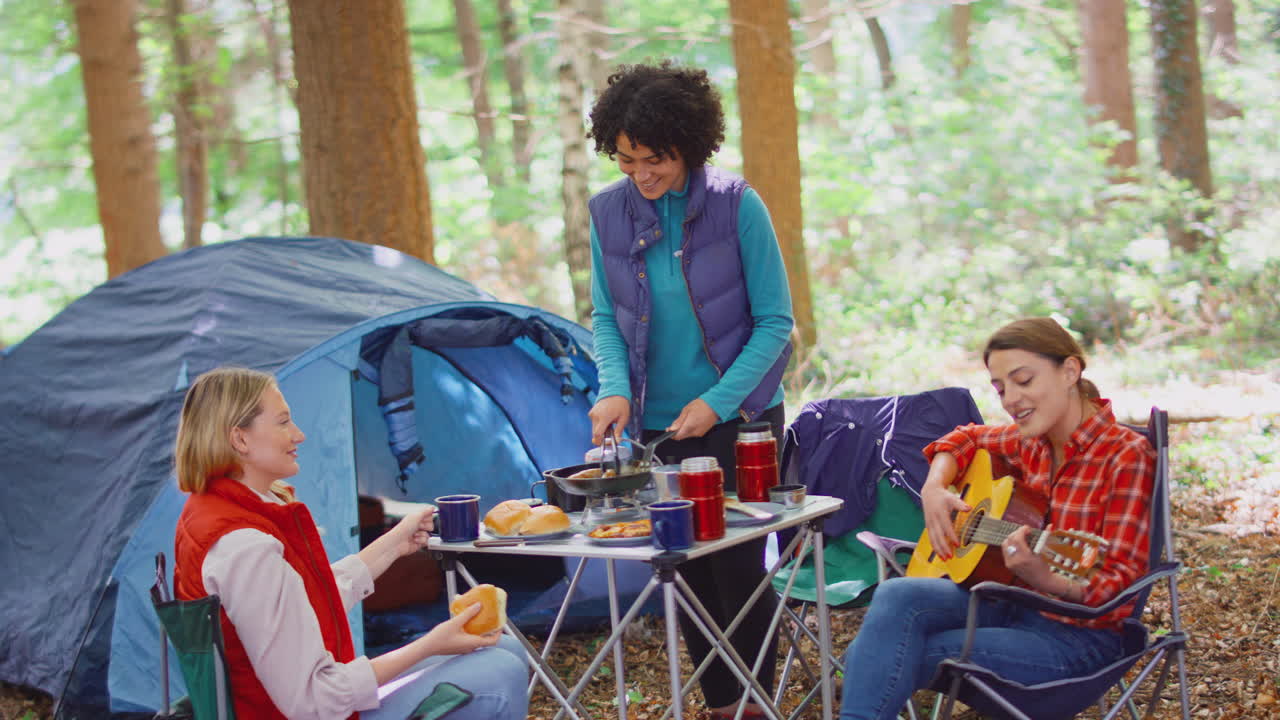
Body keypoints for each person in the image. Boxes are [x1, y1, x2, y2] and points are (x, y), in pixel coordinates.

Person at [584, 61, 795, 719]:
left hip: (741, 419)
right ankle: (721, 706)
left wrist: (718, 403)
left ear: (689, 146)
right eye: (625, 160)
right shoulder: (606, 215)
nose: (641, 174)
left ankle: (758, 702)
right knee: (686, 569)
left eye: (656, 159)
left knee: (736, 564)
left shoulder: (738, 205)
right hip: (656, 423)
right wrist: (615, 390)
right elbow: (604, 317)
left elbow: (775, 325)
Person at [838, 318, 1156, 720]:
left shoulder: (1125, 455)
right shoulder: (1032, 441)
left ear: (1070, 371)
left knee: (883, 655)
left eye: (1024, 380)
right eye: (1001, 388)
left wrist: (1048, 579)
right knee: (895, 596)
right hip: (1012, 602)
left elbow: (1119, 584)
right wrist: (934, 488)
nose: (1011, 400)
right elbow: (963, 438)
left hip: (1078, 638)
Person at [172, 366, 528, 720]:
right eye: (282, 422)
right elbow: (314, 700)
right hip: (309, 711)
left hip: (280, 704)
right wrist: (429, 646)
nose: (299, 435)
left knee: (506, 647)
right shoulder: (244, 546)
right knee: (500, 670)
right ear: (240, 439)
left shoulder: (215, 511)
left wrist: (392, 544)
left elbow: (301, 604)